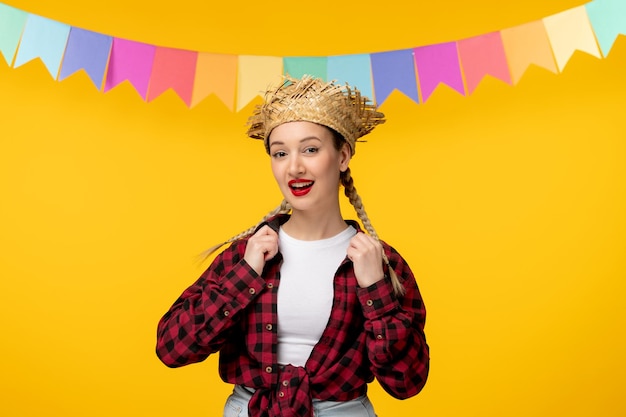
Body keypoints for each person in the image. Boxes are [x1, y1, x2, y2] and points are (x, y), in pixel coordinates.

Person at [156, 75, 429, 417]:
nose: (294, 167)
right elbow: (171, 349)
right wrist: (244, 275)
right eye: (280, 153)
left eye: (310, 149)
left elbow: (408, 382)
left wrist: (376, 292)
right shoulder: (246, 254)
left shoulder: (380, 261)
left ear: (342, 155)